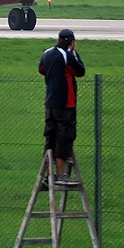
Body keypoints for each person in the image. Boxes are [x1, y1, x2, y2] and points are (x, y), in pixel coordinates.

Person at [38, 28, 86, 186]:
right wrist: (75, 53)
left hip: (50, 102)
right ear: (71, 42)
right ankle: (60, 175)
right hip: (65, 103)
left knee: (50, 137)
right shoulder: (68, 55)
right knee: (64, 138)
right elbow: (80, 71)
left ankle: (48, 175)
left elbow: (42, 70)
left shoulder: (47, 53)